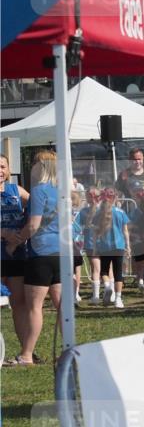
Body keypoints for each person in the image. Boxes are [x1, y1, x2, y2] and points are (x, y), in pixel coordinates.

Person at [10, 151, 62, 365]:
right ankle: (67, 349)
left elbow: (33, 225)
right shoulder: (62, 191)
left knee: (35, 306)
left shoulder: (40, 190)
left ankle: (27, 354)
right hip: (62, 253)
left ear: (41, 165)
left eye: (33, 163)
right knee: (62, 306)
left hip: (40, 254)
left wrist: (16, 242)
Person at [0, 154, 30, 361]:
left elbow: (40, 207)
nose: (0, 170)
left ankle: (25, 352)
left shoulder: (17, 191)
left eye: (2, 166)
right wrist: (4, 233)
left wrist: (22, 235)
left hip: (17, 254)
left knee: (19, 303)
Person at [90, 188, 130, 309]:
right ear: (115, 198)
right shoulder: (121, 212)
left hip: (104, 246)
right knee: (118, 273)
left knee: (104, 271)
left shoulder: (98, 213)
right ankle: (118, 299)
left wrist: (95, 247)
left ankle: (107, 286)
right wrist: (128, 246)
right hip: (119, 246)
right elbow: (125, 231)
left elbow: (95, 233)